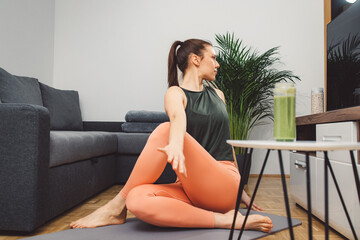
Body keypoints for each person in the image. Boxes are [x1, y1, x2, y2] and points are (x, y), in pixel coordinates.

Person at [70, 39, 273, 232]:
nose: (217, 64)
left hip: (224, 183)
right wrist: (176, 144)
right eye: (213, 57)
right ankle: (223, 220)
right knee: (136, 198)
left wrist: (241, 192)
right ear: (196, 59)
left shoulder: (218, 95)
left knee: (164, 130)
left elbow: (225, 143)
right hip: (191, 188)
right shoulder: (176, 93)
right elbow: (177, 117)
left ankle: (115, 206)